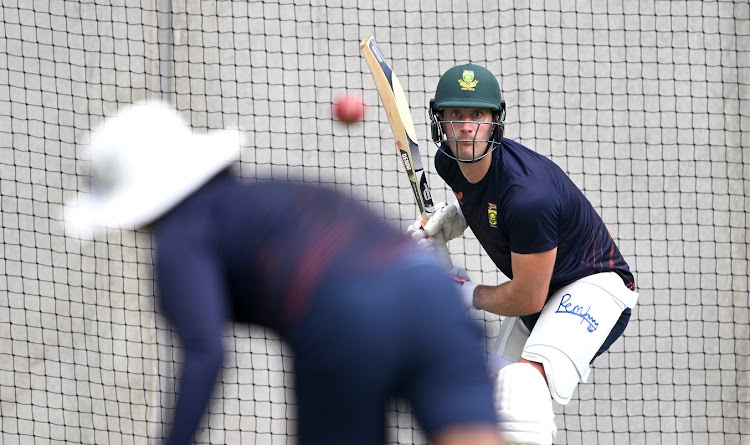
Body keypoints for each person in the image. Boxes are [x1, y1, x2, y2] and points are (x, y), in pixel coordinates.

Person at [64, 101, 507, 445]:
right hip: (431, 293)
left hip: (344, 319)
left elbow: (205, 353)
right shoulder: (266, 195)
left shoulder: (180, 237)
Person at [409, 64, 639, 445]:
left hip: (594, 285)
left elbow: (528, 295)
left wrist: (465, 291)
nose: (466, 127)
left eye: (478, 116)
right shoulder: (447, 162)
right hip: (544, 288)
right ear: (440, 120)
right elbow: (481, 198)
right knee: (485, 399)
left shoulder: (529, 196)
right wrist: (452, 219)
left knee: (521, 390)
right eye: (455, 115)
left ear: (495, 120)